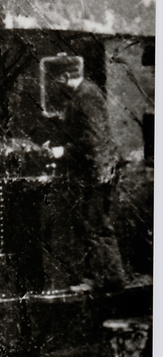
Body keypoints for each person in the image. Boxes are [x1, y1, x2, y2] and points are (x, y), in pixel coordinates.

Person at [55, 62, 127, 293]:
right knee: (95, 225)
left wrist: (64, 151)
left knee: (94, 225)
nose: (56, 85)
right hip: (97, 169)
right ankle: (107, 278)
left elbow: (93, 138)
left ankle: (104, 279)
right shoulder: (85, 93)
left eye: (57, 79)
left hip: (97, 171)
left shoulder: (85, 96)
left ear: (66, 75)